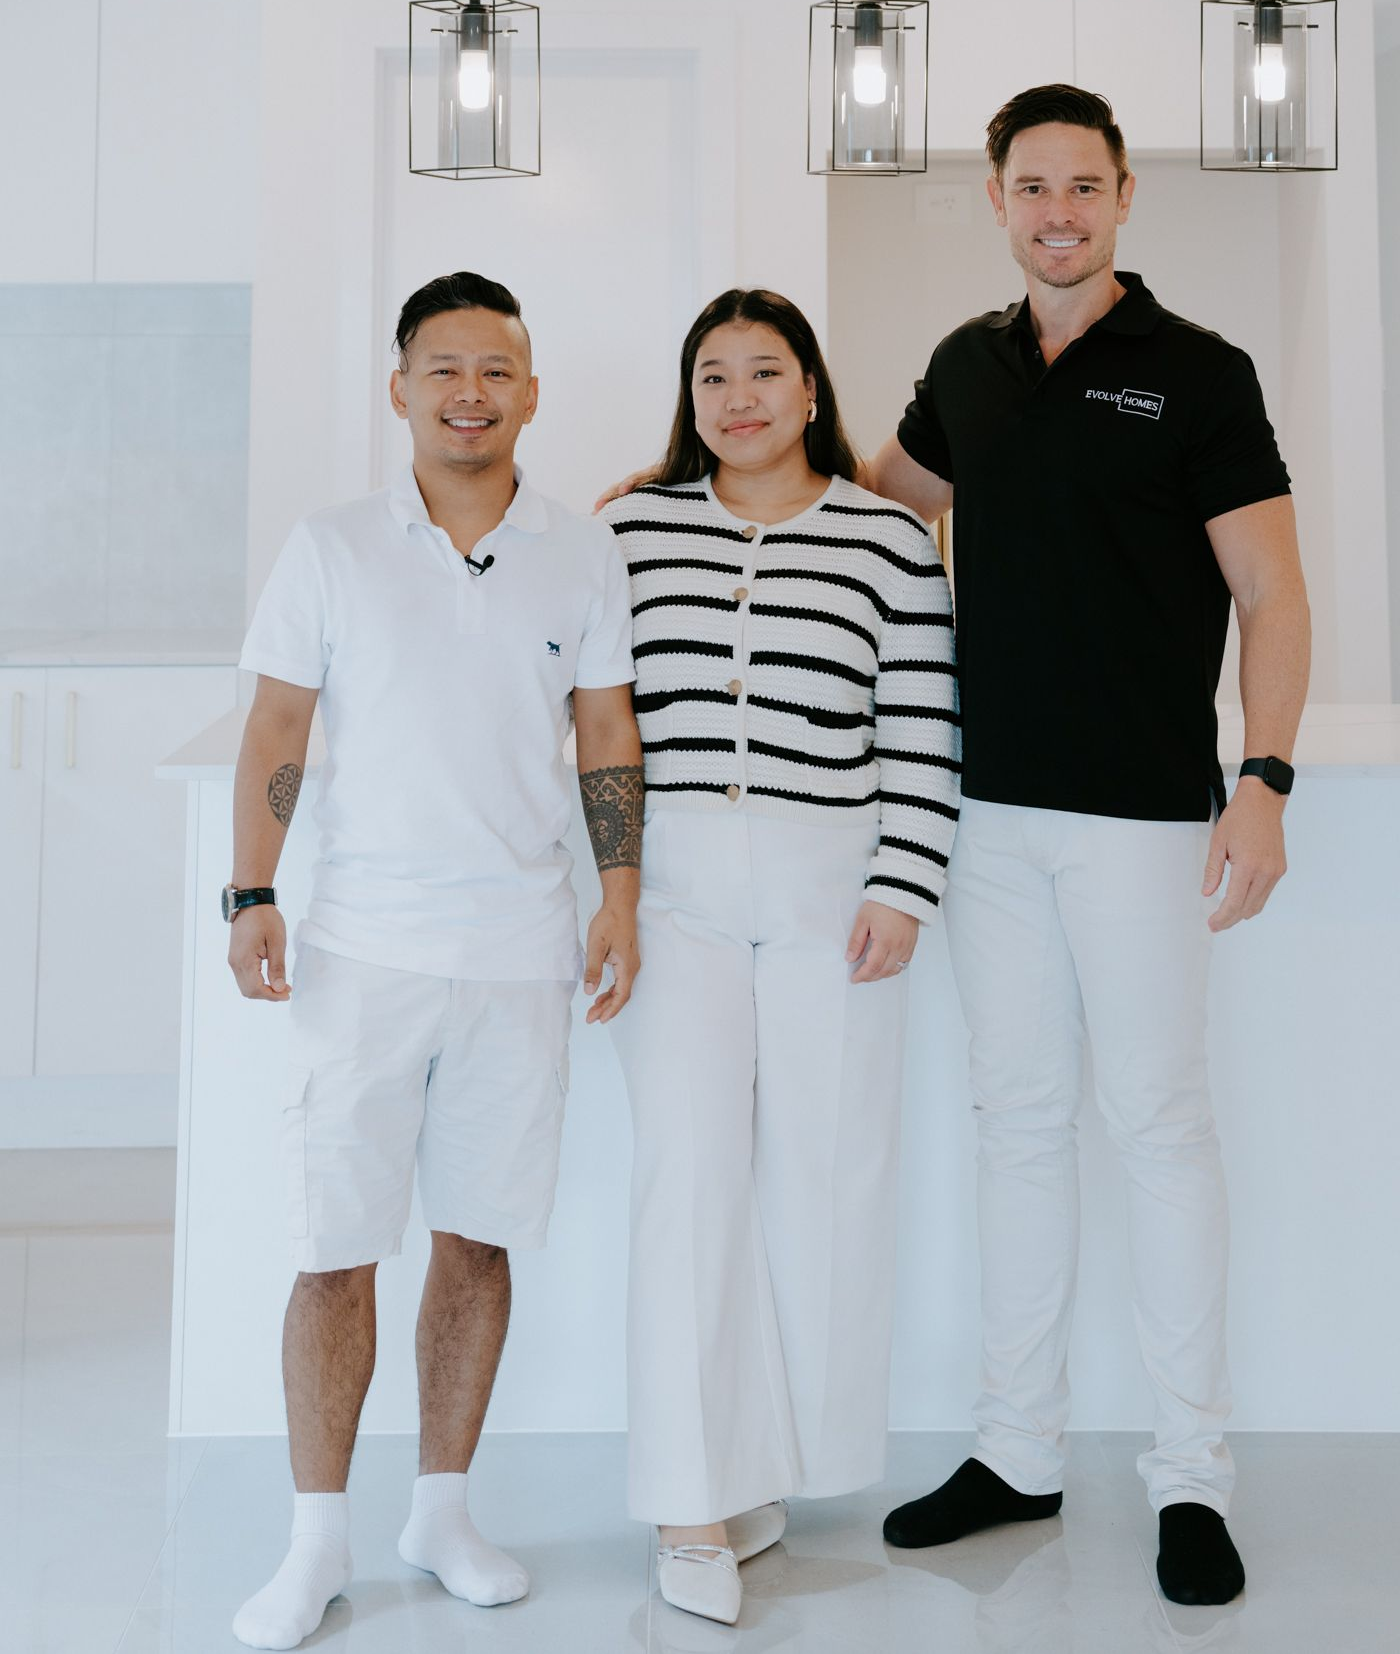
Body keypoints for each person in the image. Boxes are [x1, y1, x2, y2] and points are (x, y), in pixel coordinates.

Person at [861, 87, 1310, 1606]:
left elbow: (1274, 595)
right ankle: (1018, 1451)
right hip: (986, 814)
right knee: (1018, 1123)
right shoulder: (965, 368)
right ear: (996, 197)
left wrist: (1264, 777)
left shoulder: (1200, 373)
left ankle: (1192, 1476)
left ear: (1123, 198)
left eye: (1085, 186)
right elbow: (875, 506)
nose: (1059, 211)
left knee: (1160, 1128)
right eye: (1033, 186)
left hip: (1141, 819)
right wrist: (687, 490)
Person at [225, 271, 642, 1650]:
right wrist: (252, 889)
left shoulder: (582, 553)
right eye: (445, 368)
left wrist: (619, 895)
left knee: (478, 1239)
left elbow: (606, 734)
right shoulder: (331, 546)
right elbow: (278, 725)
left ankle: (442, 1513)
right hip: (362, 948)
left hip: (521, 953)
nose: (471, 392)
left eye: (496, 370)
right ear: (399, 389)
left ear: (532, 392)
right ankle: (316, 1540)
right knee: (333, 1247)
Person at [596, 288, 960, 1626]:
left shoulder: (888, 540)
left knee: (827, 1179)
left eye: (764, 371)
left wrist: (905, 885)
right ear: (688, 399)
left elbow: (923, 723)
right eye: (712, 375)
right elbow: (595, 715)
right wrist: (612, 890)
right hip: (677, 889)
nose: (737, 398)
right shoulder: (631, 529)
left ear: (811, 388)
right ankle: (687, 1500)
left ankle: (767, 1469)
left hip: (834, 884)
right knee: (688, 1180)